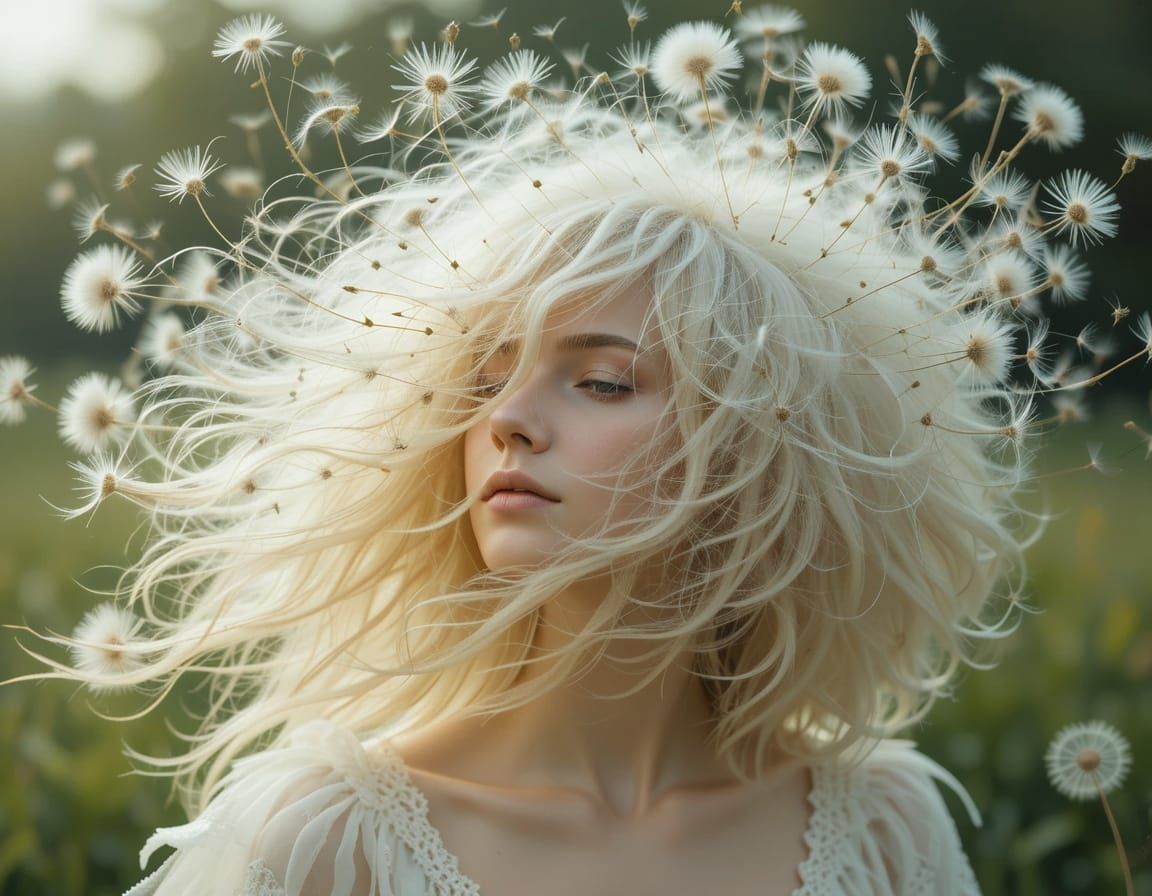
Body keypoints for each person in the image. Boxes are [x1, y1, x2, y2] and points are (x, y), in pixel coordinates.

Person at [6, 5, 1149, 895]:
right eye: (486, 376)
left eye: (601, 378)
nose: (505, 418)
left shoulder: (886, 827)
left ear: (762, 449)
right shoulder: (324, 841)